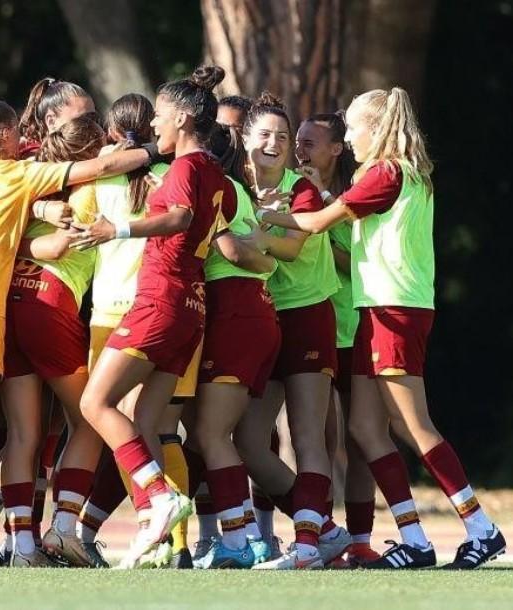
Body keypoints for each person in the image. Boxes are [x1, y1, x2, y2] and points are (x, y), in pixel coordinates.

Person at [0, 83, 154, 564]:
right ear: (6, 134)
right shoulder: (26, 171)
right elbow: (96, 173)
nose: (94, 127)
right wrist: (153, 149)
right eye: (86, 119)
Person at [255, 87, 506, 570]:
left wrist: (263, 214)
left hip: (396, 309)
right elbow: (343, 213)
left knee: (414, 425)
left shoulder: (386, 171)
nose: (348, 139)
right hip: (379, 308)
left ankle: (481, 528)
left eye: (352, 128)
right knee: (366, 427)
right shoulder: (393, 174)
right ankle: (413, 538)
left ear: (378, 128)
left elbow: (319, 222)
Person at [68, 65, 230, 569]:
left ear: (182, 117)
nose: (153, 123)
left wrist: (114, 230)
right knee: (145, 422)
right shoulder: (216, 172)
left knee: (96, 403)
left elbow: (179, 218)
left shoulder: (183, 168)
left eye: (159, 114)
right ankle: (157, 535)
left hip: (160, 300)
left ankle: (158, 498)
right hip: (191, 309)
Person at [231, 93, 350, 571]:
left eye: (282, 136)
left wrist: (258, 236)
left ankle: (304, 547)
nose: (275, 143)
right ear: (246, 140)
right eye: (265, 135)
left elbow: (294, 247)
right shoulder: (236, 186)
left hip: (307, 316)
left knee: (306, 437)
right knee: (250, 443)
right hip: (264, 320)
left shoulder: (302, 189)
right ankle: (321, 529)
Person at [4, 114, 106, 567]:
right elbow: (57, 248)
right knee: (90, 418)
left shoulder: (30, 186)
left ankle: (22, 547)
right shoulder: (88, 191)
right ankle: (64, 528)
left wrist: (15, 242)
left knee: (24, 432)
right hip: (50, 302)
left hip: (10, 302)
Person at [189, 123, 280, 569]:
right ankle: (299, 530)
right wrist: (262, 260)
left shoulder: (219, 187)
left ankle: (240, 541)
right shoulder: (240, 190)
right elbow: (260, 254)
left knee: (210, 434)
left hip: (235, 314)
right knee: (230, 437)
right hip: (253, 314)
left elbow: (235, 253)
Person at [293, 111, 382, 567]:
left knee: (362, 437)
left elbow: (356, 264)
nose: (300, 149)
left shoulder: (352, 198)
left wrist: (319, 218)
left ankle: (363, 539)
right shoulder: (290, 188)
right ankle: (324, 535)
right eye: (299, 140)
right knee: (321, 438)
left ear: (336, 149)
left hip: (354, 326)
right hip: (315, 325)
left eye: (311, 142)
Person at [18, 78, 96, 157]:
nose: (93, 127)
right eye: (82, 120)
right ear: (51, 121)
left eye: (94, 118)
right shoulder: (34, 160)